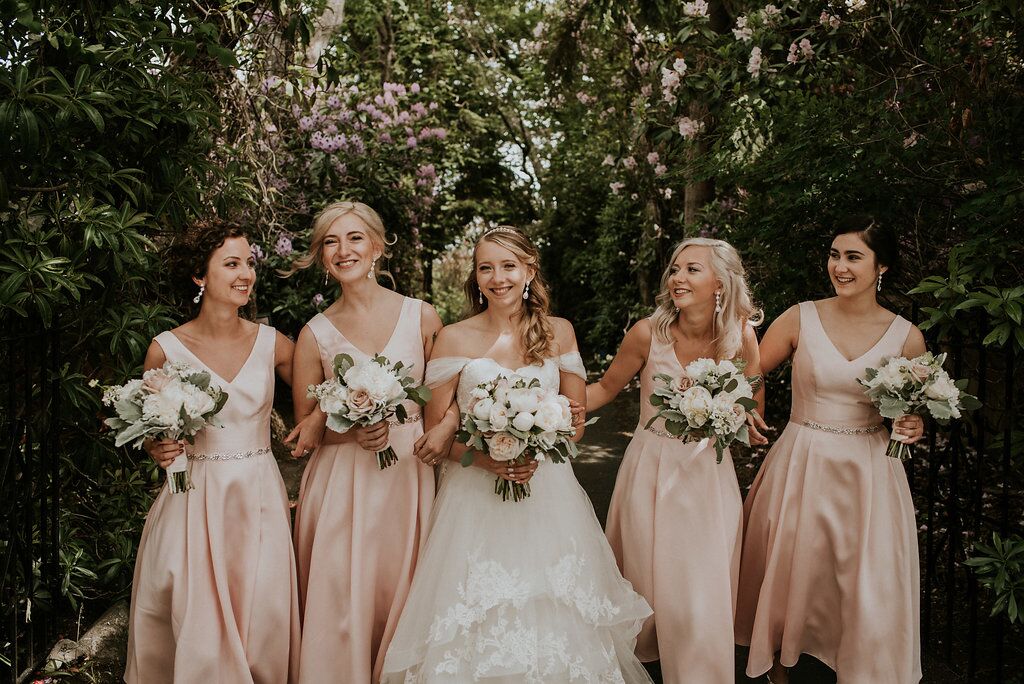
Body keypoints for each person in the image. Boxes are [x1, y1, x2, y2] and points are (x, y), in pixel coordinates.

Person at [380, 226, 653, 683]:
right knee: (474, 618)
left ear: (529, 270)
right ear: (475, 277)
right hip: (474, 499)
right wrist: (488, 458)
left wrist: (540, 442)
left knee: (557, 611)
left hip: (549, 493)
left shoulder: (559, 333)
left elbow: (576, 422)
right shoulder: (452, 338)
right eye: (486, 268)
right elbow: (436, 437)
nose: (497, 277)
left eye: (508, 266)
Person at [736, 216, 925, 683]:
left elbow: (914, 410)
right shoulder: (802, 315)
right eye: (835, 255)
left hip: (868, 468)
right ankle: (779, 661)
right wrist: (749, 410)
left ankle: (857, 661)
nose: (840, 267)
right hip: (802, 457)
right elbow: (752, 368)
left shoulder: (907, 337)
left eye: (853, 257)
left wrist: (913, 423)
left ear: (881, 267)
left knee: (860, 574)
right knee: (793, 562)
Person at [125, 219, 300, 684]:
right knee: (195, 615)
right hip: (193, 498)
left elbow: (319, 402)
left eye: (249, 263)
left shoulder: (275, 345)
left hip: (257, 495)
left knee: (263, 612)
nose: (246, 273)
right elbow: (149, 431)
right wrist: (158, 446)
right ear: (200, 276)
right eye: (231, 263)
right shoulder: (165, 350)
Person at [587, 237, 767, 683]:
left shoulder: (740, 335)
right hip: (650, 467)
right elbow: (605, 389)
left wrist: (741, 416)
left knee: (700, 583)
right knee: (645, 582)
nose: (677, 278)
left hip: (707, 473)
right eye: (675, 269)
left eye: (692, 270)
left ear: (721, 283)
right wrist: (549, 407)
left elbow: (754, 398)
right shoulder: (648, 333)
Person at [285, 201, 451, 683]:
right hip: (341, 486)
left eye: (355, 238)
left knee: (407, 589)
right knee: (344, 597)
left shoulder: (422, 317)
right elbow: (306, 434)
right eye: (331, 242)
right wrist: (346, 427)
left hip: (407, 475)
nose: (344, 250)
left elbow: (449, 398)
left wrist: (441, 427)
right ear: (322, 257)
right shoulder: (313, 335)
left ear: (377, 246)